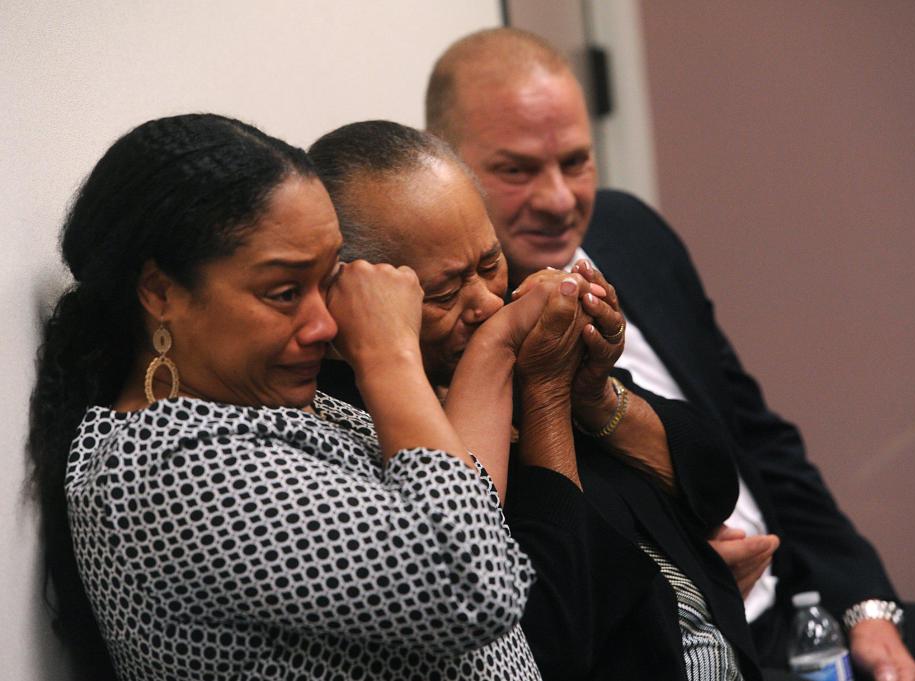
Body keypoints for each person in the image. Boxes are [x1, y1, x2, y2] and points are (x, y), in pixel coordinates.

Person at [425, 27, 915, 681]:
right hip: (691, 645)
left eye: (575, 161)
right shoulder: (458, 336)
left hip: (801, 610)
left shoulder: (630, 233)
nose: (560, 199)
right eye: (516, 170)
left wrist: (866, 605)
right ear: (447, 170)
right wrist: (693, 575)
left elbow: (760, 440)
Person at [27, 113, 544, 681]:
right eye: (283, 292)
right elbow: (474, 586)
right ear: (160, 291)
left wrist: (501, 342)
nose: (325, 324)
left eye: (327, 282)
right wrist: (388, 355)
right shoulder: (161, 468)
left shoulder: (265, 407)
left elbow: (461, 506)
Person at [309, 120, 768, 681]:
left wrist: (594, 394)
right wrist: (542, 393)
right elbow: (542, 635)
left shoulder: (518, 325)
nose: (482, 303)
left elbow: (714, 485)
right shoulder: (357, 424)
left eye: (489, 263)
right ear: (359, 296)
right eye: (444, 292)